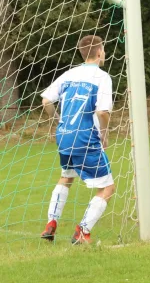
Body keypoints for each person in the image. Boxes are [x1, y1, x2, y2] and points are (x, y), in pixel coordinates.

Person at [40, 35, 114, 245]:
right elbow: (102, 112)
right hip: (86, 137)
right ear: (99, 52)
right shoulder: (102, 77)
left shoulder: (69, 74)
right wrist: (104, 133)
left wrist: (57, 122)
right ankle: (83, 231)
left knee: (66, 177)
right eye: (104, 49)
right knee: (108, 188)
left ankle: (51, 223)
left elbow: (46, 100)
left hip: (64, 136)